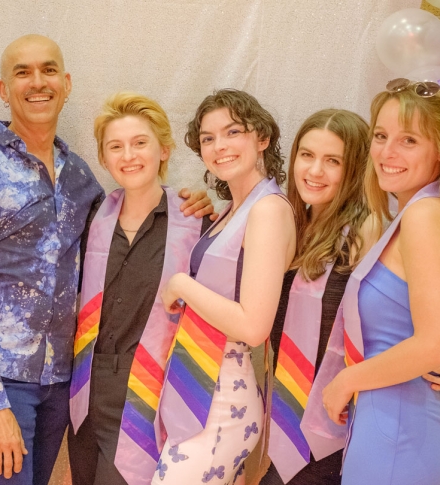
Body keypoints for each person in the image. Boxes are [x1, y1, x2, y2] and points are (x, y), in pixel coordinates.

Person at [0, 35, 212, 485]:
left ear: (66, 83)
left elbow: (127, 230)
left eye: (48, 70)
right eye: (22, 72)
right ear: (2, 88)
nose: (37, 82)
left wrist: (194, 201)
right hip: (7, 382)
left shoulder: (78, 176)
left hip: (66, 385)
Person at [258, 109, 440, 485]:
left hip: (334, 425)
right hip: (284, 415)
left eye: (333, 161)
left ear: (355, 168)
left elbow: (401, 310)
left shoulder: (366, 230)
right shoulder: (289, 222)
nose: (315, 171)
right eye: (306, 155)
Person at [320, 79, 440, 485]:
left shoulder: (424, 218)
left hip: (396, 438)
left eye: (408, 140)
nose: (386, 152)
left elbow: (435, 343)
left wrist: (345, 381)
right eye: (380, 135)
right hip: (401, 431)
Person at [67, 92, 208, 485]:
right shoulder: (93, 216)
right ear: (104, 158)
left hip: (150, 392)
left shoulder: (195, 223)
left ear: (164, 149)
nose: (128, 155)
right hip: (87, 390)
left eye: (140, 143)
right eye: (116, 146)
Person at [158, 89, 296, 484]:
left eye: (232, 132)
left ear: (262, 138)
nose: (219, 146)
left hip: (222, 397)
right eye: (207, 138)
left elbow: (254, 325)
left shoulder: (268, 209)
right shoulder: (234, 210)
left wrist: (182, 284)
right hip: (201, 386)